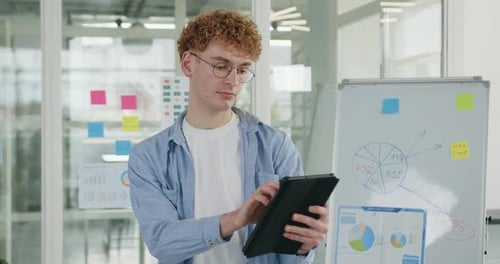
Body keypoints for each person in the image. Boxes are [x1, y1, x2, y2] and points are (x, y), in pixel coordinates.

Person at [128, 9, 329, 264]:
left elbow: (291, 257)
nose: (233, 81)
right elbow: (162, 242)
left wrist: (304, 246)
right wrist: (237, 219)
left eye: (242, 69)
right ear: (189, 63)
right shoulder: (149, 157)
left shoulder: (275, 145)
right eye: (221, 66)